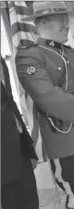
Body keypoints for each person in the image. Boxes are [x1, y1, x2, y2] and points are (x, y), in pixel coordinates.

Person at [16, 2, 74, 209]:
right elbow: (47, 96)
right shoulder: (29, 55)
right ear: (42, 22)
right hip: (68, 138)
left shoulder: (70, 52)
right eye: (61, 19)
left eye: (67, 18)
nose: (67, 24)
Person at [1, 56, 39, 209]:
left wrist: (28, 149)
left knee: (29, 202)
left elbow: (10, 103)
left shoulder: (1, 62)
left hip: (19, 151)